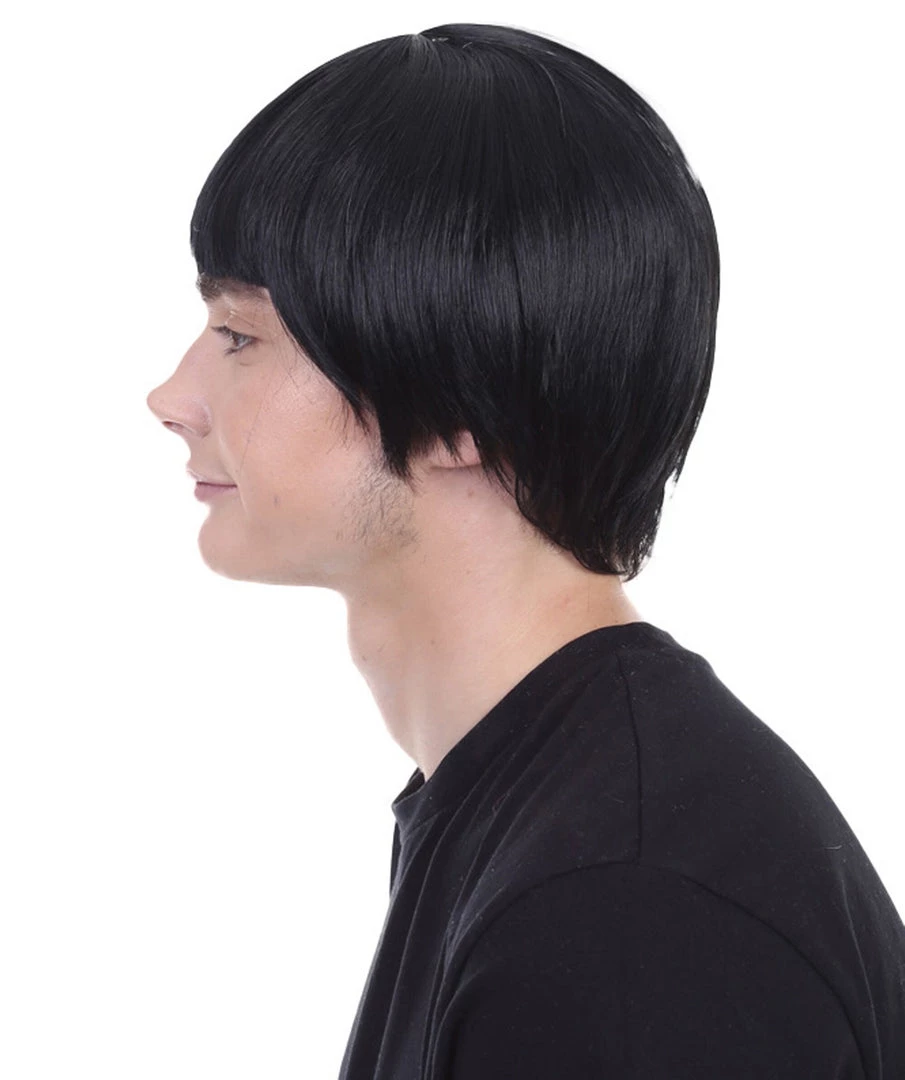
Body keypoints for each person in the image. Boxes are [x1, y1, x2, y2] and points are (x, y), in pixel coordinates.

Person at [146, 22, 905, 1079]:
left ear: (462, 408)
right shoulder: (557, 821)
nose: (171, 397)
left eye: (240, 335)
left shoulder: (621, 912)